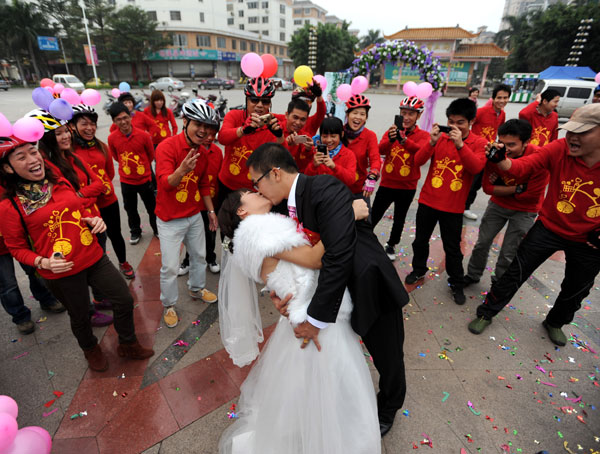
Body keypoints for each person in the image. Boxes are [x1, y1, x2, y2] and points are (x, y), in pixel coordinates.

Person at [247, 143, 409, 437]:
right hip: (331, 292)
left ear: (275, 173)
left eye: (256, 182)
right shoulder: (282, 207)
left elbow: (337, 255)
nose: (256, 190)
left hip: (367, 284)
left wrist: (314, 319)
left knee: (388, 357)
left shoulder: (323, 188)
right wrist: (279, 293)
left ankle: (387, 408)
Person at [217, 189, 380, 453]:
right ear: (242, 211)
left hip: (303, 314)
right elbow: (314, 260)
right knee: (330, 383)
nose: (257, 190)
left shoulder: (256, 235)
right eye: (248, 193)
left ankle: (310, 432)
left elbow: (281, 272)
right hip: (314, 317)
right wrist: (346, 216)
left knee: (305, 388)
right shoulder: (260, 232)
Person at [0, 136, 154, 371]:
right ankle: (91, 350)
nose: (33, 159)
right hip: (61, 272)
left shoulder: (60, 182)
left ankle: (128, 343)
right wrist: (43, 262)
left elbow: (76, 211)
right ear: (8, 168)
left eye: (33, 152)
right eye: (21, 157)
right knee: (80, 316)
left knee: (123, 298)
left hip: (93, 257)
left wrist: (91, 220)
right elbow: (16, 248)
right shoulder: (9, 207)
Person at [468, 103, 600, 346]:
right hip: (549, 227)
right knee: (514, 272)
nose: (571, 137)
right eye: (570, 130)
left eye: (582, 132)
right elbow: (522, 167)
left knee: (577, 288)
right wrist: (502, 160)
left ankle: (555, 322)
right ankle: (487, 312)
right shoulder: (559, 148)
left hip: (590, 240)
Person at [33, 108, 114, 327]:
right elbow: (60, 204)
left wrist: (78, 196)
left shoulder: (72, 156)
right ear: (46, 138)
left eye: (66, 131)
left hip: (93, 220)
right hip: (71, 228)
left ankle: (98, 298)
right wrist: (81, 198)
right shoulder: (45, 168)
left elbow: (98, 183)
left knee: (96, 262)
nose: (66, 136)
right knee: (78, 270)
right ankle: (87, 311)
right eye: (59, 133)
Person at [406, 98, 488, 305]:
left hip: (453, 207)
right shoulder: (440, 138)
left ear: (471, 122)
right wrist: (431, 142)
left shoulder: (479, 143)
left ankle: (456, 283)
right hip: (428, 200)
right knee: (420, 241)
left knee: (452, 248)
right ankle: (418, 270)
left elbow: (476, 168)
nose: (454, 127)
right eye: (451, 121)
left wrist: (460, 144)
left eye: (460, 122)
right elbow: (418, 161)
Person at [155, 99, 219, 328]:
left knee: (199, 256)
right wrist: (182, 170)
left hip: (193, 215)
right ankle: (169, 304)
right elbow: (165, 184)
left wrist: (210, 211)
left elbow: (203, 185)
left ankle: (197, 288)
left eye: (206, 126)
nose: (202, 130)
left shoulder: (203, 152)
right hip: (169, 219)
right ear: (185, 121)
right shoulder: (166, 147)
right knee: (170, 266)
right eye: (197, 124)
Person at [464, 119, 549, 286]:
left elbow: (531, 195)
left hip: (525, 211)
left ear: (525, 142)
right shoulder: (495, 153)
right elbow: (487, 188)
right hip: (498, 206)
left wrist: (501, 186)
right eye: (501, 143)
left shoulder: (539, 157)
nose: (505, 149)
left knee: (509, 251)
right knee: (482, 243)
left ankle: (499, 283)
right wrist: (517, 188)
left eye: (511, 145)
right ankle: (473, 275)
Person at [69, 104, 134, 279]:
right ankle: (100, 272)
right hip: (86, 205)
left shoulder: (101, 146)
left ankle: (123, 262)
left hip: (108, 200)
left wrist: (102, 187)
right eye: (84, 124)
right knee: (95, 240)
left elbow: (109, 172)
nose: (89, 128)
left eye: (92, 123)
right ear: (73, 126)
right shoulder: (69, 150)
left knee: (115, 233)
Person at [371, 96, 430, 260]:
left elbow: (421, 153)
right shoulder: (391, 131)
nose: (406, 117)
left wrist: (404, 140)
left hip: (407, 186)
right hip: (387, 183)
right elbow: (379, 150)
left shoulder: (423, 135)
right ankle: (364, 239)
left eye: (411, 114)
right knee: (374, 214)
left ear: (419, 115)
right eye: (403, 113)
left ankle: (391, 244)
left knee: (399, 218)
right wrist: (391, 139)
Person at [217, 77, 284, 208]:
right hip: (228, 185)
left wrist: (280, 136)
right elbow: (222, 138)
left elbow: (282, 156)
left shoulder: (273, 123)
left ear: (270, 104)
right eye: (254, 100)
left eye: (265, 102)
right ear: (246, 100)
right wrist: (242, 130)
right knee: (226, 226)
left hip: (255, 190)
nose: (259, 105)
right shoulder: (234, 115)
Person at [108, 102, 158, 243]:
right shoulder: (112, 138)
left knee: (151, 208)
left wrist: (142, 168)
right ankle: (135, 232)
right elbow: (115, 156)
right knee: (130, 210)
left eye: (125, 117)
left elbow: (150, 156)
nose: (123, 122)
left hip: (145, 180)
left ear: (130, 117)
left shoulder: (143, 135)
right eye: (119, 119)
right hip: (126, 181)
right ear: (114, 121)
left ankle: (157, 229)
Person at [179, 118, 223, 276]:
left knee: (210, 234)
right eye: (208, 132)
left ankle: (211, 258)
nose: (210, 137)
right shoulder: (190, 151)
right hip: (193, 202)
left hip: (210, 202)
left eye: (213, 133)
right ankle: (187, 260)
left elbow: (219, 176)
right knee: (191, 236)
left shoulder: (217, 152)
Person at [0, 228, 65, 334]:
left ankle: (46, 299)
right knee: (7, 284)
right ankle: (20, 317)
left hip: (20, 236)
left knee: (36, 271)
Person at [464, 83, 511, 221]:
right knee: (471, 181)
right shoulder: (481, 112)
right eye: (499, 98)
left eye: (505, 98)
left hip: (489, 152)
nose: (502, 101)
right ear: (493, 98)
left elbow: (497, 132)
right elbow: (467, 123)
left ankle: (466, 206)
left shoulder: (502, 114)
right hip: (475, 151)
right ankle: (463, 206)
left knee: (479, 183)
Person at [343, 94, 382, 199]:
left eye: (362, 114)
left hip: (359, 190)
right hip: (338, 189)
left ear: (366, 117)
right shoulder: (338, 132)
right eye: (354, 113)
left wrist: (372, 176)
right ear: (347, 114)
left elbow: (375, 159)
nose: (358, 117)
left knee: (365, 215)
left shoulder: (370, 136)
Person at [304, 117, 357, 188]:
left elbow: (351, 180)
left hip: (338, 197)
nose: (329, 140)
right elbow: (306, 179)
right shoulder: (315, 152)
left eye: (333, 136)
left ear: (342, 134)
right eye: (325, 136)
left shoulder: (349, 155)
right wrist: (313, 165)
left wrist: (334, 167)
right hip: (317, 196)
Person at [280, 98, 313, 173]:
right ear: (286, 115)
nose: (298, 122)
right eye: (295, 117)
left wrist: (309, 150)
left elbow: (307, 166)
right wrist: (284, 144)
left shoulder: (306, 137)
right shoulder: (276, 131)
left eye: (302, 119)